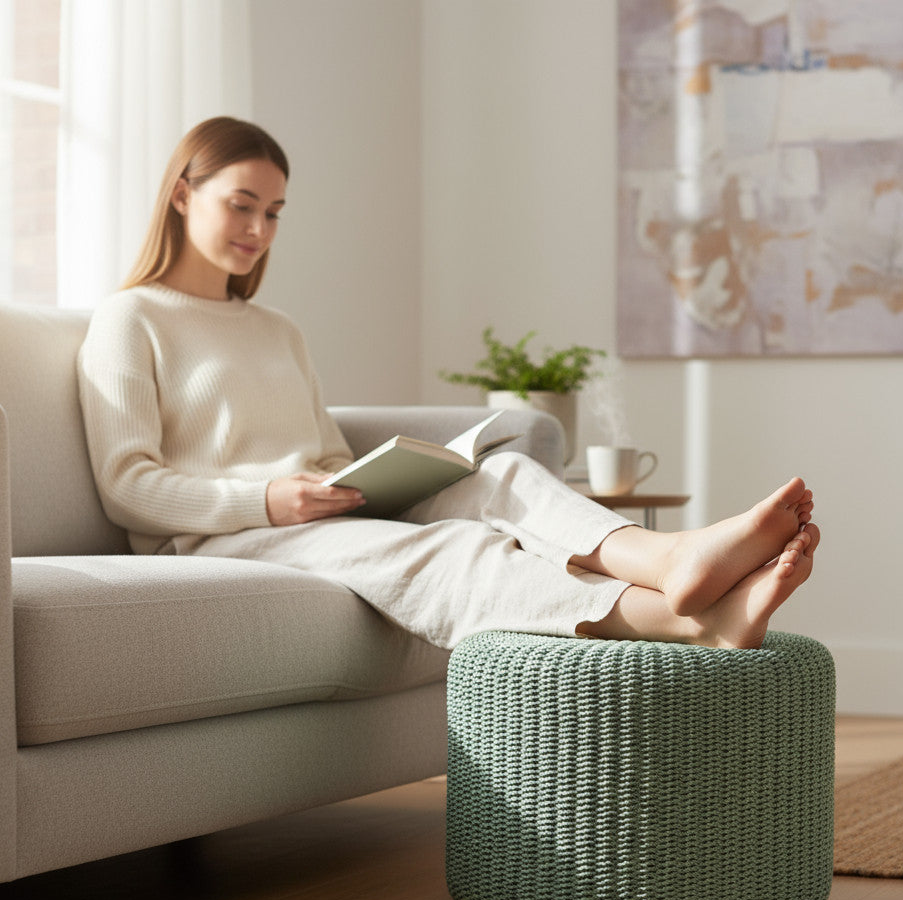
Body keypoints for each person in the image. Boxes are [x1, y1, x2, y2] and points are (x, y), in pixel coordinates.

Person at [78, 116, 819, 653]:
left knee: (503, 476)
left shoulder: (276, 329)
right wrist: (268, 499)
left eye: (273, 213)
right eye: (242, 204)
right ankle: (688, 621)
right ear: (182, 194)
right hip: (217, 539)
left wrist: (359, 483)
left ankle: (671, 560)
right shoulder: (129, 319)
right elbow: (126, 484)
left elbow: (325, 453)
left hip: (309, 514)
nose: (260, 230)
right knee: (455, 548)